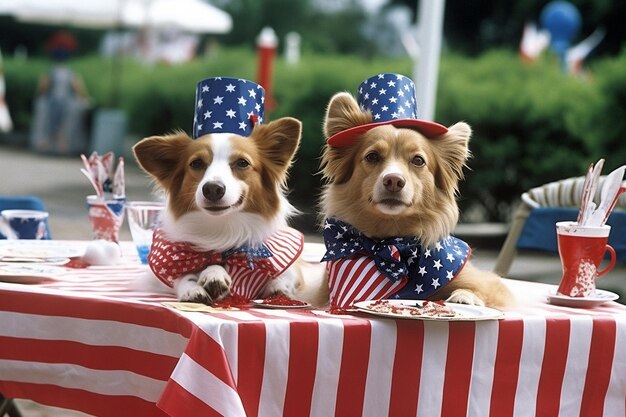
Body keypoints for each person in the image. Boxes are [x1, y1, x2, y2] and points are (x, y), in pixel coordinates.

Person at [30, 31, 91, 156]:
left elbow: (42, 88)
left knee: (53, 122)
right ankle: (60, 145)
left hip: (56, 101)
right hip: (61, 101)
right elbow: (79, 89)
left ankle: (52, 144)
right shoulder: (69, 72)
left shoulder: (52, 71)